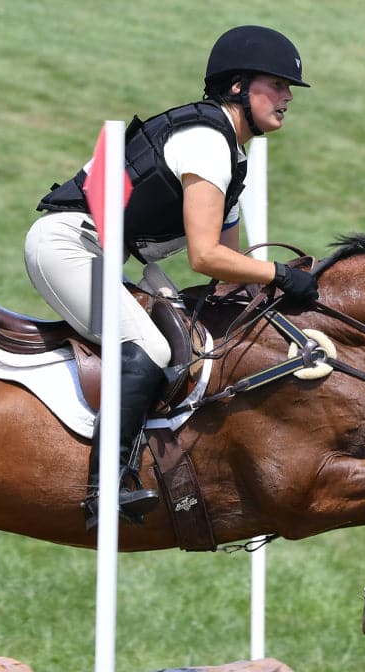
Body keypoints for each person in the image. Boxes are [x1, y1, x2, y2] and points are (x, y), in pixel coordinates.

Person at [26, 25, 319, 527]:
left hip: (99, 252)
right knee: (149, 348)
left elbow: (230, 273)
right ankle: (105, 488)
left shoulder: (231, 157)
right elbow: (205, 256)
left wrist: (288, 300)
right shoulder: (206, 143)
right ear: (237, 87)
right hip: (67, 245)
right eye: (276, 85)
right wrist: (279, 274)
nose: (287, 97)